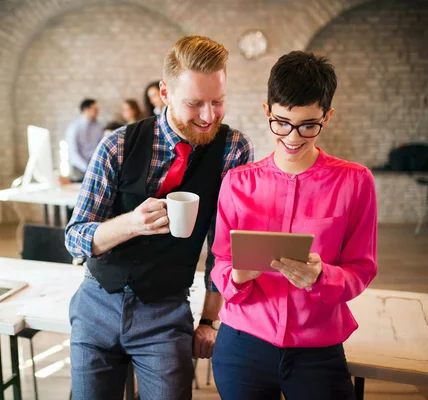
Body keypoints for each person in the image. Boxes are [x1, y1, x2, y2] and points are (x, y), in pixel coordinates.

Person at [65, 35, 253, 400]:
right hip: (96, 304)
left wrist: (210, 319)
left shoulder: (233, 148)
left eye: (218, 102)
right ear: (164, 93)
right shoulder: (117, 145)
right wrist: (132, 223)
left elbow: (225, 244)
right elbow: (74, 237)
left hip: (166, 312)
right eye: (195, 103)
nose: (208, 115)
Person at [210, 51, 378, 400]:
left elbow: (362, 268)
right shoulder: (238, 183)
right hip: (243, 346)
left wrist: (323, 277)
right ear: (267, 111)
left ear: (327, 117)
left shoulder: (355, 182)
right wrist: (237, 277)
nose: (292, 137)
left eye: (308, 125)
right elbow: (221, 261)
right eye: (281, 122)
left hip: (317, 351)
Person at [65, 99, 105, 182]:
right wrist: (87, 167)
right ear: (86, 110)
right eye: (95, 109)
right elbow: (73, 153)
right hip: (79, 170)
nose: (97, 112)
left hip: (97, 169)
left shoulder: (100, 126)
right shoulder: (74, 128)